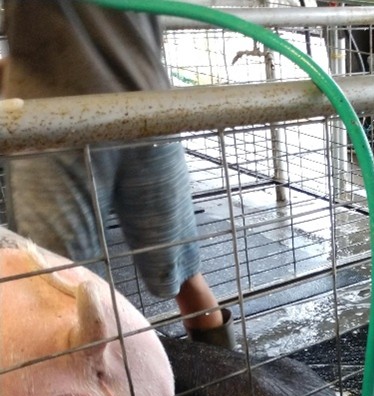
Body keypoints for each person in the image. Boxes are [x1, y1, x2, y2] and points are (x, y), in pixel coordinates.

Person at [1, 0, 234, 348]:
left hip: (139, 109)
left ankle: (227, 381)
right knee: (62, 290)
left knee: (181, 271)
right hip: (50, 119)